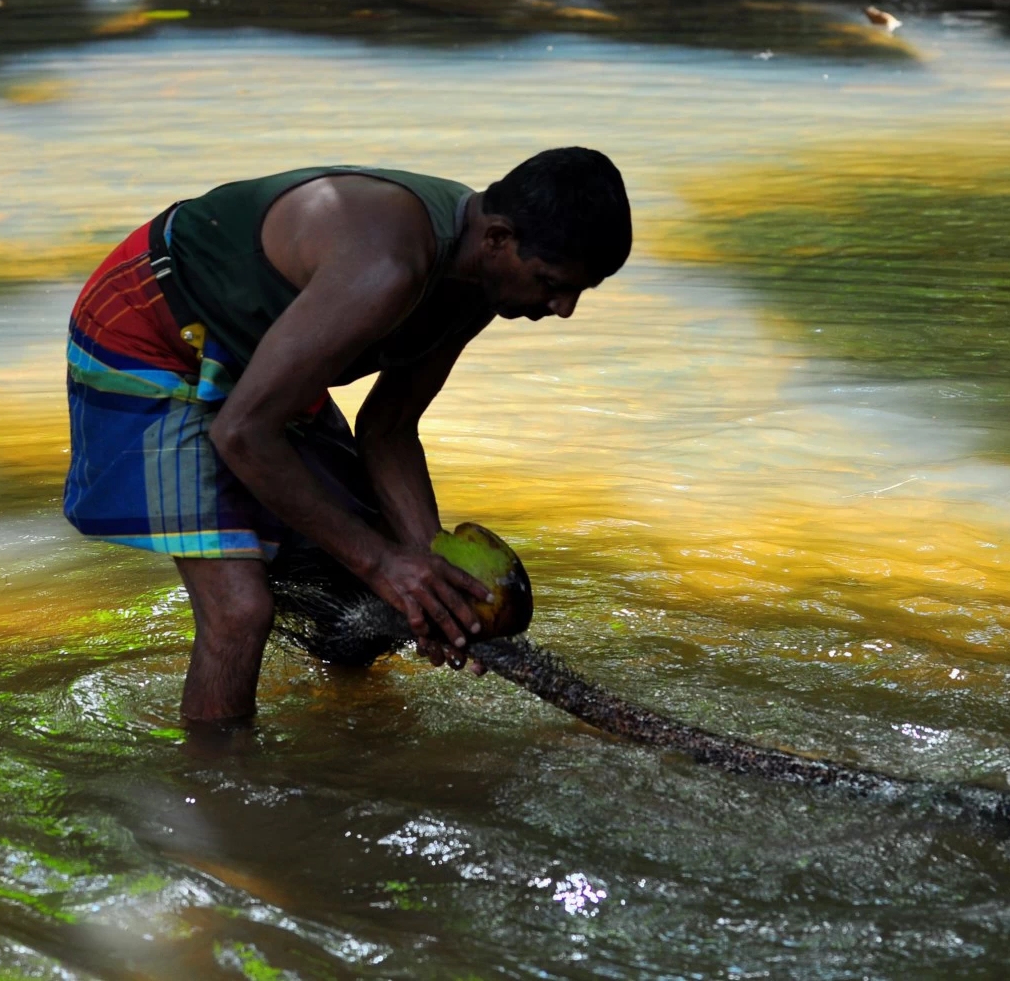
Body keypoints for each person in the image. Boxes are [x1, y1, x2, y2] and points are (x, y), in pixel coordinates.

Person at [62, 148, 633, 724]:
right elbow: (242, 433)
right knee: (240, 610)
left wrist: (426, 574)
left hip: (253, 355)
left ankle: (346, 727)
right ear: (497, 238)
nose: (563, 309)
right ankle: (217, 791)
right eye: (552, 283)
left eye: (580, 292)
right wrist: (383, 564)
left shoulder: (484, 282)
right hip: (150, 331)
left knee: (362, 572)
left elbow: (389, 427)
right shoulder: (387, 266)